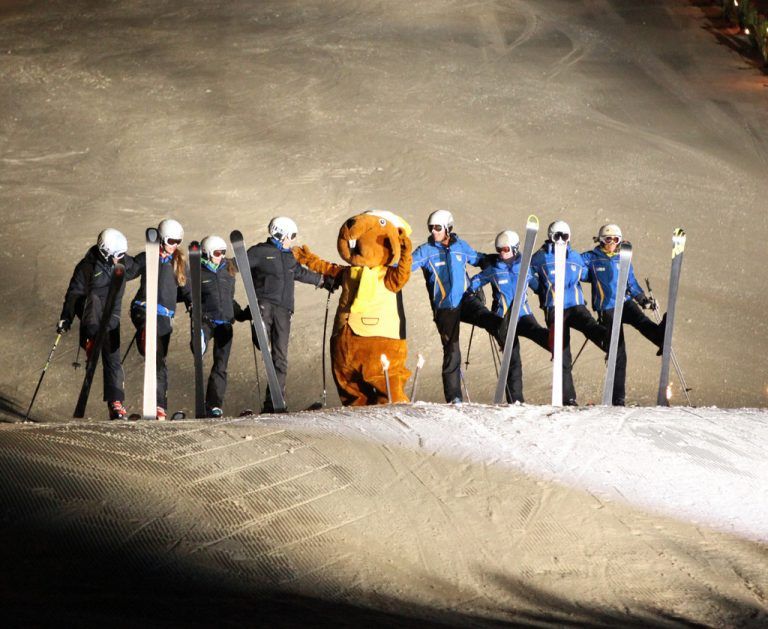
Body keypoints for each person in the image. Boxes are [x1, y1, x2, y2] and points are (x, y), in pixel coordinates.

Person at [411, 209, 502, 404]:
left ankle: (505, 338)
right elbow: (404, 267)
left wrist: (501, 260)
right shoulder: (425, 251)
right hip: (445, 307)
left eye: (437, 228)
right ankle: (454, 399)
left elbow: (478, 258)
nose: (433, 232)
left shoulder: (460, 246)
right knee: (452, 351)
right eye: (431, 228)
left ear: (447, 228)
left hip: (465, 299)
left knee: (486, 317)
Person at [244, 216, 333, 412]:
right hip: (266, 304)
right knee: (264, 341)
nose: (292, 239)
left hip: (284, 310)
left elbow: (300, 272)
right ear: (279, 233)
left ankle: (275, 401)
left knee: (281, 358)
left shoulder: (289, 256)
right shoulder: (259, 252)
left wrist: (322, 281)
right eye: (290, 235)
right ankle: (260, 332)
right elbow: (238, 266)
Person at [58, 228, 138, 420]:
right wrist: (66, 318)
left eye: (123, 254)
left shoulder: (122, 264)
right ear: (105, 252)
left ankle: (116, 404)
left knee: (113, 361)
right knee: (93, 298)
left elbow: (136, 266)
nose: (122, 258)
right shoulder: (87, 267)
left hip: (110, 321)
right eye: (118, 254)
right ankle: (92, 341)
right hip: (90, 318)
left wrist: (157, 253)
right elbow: (73, 294)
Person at [582, 223, 665, 406]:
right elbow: (577, 270)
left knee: (641, 321)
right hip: (607, 308)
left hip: (625, 302)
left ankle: (661, 337)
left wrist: (643, 299)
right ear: (601, 240)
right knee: (619, 353)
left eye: (615, 239)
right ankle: (617, 398)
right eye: (607, 239)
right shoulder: (591, 258)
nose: (611, 243)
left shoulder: (622, 258)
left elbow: (632, 282)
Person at [468, 230, 550, 403]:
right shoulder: (494, 270)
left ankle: (558, 349)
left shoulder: (526, 269)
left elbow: (539, 288)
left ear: (515, 248)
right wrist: (472, 293)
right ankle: (516, 401)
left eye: (505, 249)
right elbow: (473, 283)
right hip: (503, 320)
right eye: (499, 249)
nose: (502, 253)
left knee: (538, 333)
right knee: (513, 359)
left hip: (523, 315)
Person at [530, 220, 606, 406]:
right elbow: (528, 275)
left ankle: (607, 342)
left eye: (564, 236)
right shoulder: (540, 257)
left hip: (575, 305)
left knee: (589, 324)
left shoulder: (575, 257)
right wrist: (541, 290)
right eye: (557, 236)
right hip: (554, 308)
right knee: (563, 353)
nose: (561, 240)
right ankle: (568, 399)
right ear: (550, 237)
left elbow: (588, 275)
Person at [130, 218, 191, 420]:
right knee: (152, 341)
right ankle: (146, 336)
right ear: (163, 239)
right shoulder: (149, 255)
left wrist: (192, 304)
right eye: (172, 240)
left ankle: (159, 408)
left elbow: (187, 290)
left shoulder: (179, 263)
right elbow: (130, 269)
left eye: (178, 241)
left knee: (160, 363)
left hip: (164, 317)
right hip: (144, 309)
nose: (175, 245)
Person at [189, 235, 246, 418]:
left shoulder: (228, 272)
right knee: (200, 343)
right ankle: (199, 341)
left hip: (225, 324)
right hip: (206, 320)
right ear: (206, 253)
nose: (220, 256)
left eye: (223, 252)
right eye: (216, 253)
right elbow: (184, 292)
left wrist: (243, 314)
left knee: (220, 366)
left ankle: (213, 405)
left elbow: (230, 300)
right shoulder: (198, 272)